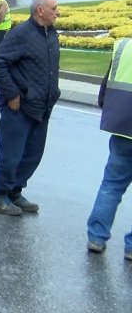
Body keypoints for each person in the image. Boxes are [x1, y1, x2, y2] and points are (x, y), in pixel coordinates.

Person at [0, 0, 60, 216]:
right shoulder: (22, 34)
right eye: (54, 8)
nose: (58, 12)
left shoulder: (51, 34)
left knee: (32, 156)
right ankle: (0, 197)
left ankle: (15, 192)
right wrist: (11, 93)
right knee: (11, 154)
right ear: (40, 10)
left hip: (42, 107)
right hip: (19, 108)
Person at [85, 38, 132, 261]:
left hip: (123, 129)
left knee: (111, 185)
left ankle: (96, 237)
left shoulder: (124, 46)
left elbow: (105, 88)